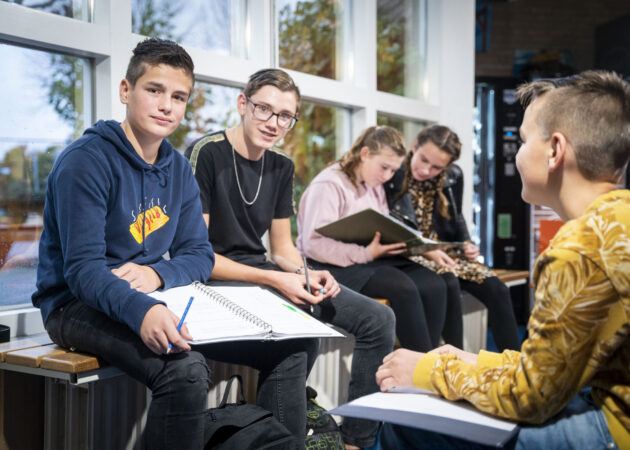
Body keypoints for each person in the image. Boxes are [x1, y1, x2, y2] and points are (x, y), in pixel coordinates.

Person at [32, 38, 314, 450]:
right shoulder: (86, 160)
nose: (167, 105)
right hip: (74, 304)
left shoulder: (178, 168)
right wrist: (142, 308)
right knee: (185, 370)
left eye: (178, 96)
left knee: (291, 343)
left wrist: (155, 273)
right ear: (126, 91)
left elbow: (198, 254)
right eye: (154, 90)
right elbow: (83, 271)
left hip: (153, 293)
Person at [376, 70, 630, 449]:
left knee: (403, 425)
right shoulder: (619, 218)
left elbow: (533, 395)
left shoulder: (578, 249)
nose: (516, 151)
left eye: (524, 140)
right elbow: (555, 367)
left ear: (555, 150)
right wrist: (474, 362)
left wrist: (427, 370)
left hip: (611, 432)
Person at [185, 68, 395, 450]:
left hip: (262, 273)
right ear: (243, 104)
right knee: (299, 339)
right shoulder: (208, 153)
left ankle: (355, 442)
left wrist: (307, 273)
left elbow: (281, 249)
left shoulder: (281, 165)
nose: (273, 123)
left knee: (379, 318)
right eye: (264, 109)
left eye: (285, 115)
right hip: (214, 278)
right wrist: (275, 280)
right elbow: (198, 256)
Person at [297, 125, 463, 352]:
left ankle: (429, 359)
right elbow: (312, 245)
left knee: (434, 282)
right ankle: (421, 363)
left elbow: (383, 222)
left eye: (393, 171)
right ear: (365, 154)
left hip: (365, 258)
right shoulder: (329, 184)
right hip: (324, 265)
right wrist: (367, 253)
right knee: (402, 286)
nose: (387, 176)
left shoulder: (375, 185)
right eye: (384, 167)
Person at [385, 125, 520, 351]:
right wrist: (425, 249)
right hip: (412, 255)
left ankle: (517, 368)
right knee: (446, 279)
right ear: (415, 146)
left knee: (498, 289)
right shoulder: (393, 173)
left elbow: (457, 218)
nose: (427, 170)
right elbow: (392, 229)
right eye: (424, 160)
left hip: (446, 253)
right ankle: (454, 358)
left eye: (437, 167)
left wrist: (466, 243)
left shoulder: (453, 177)